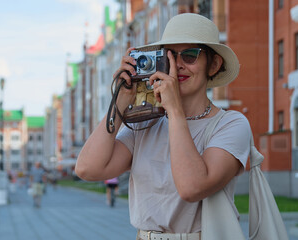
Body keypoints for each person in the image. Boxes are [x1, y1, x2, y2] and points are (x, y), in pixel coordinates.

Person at [75, 13, 251, 240]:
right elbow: (87, 169)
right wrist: (120, 100)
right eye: (169, 56)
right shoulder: (146, 123)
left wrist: (175, 110)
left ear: (214, 64)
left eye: (190, 56)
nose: (177, 66)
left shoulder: (231, 124)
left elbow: (191, 188)